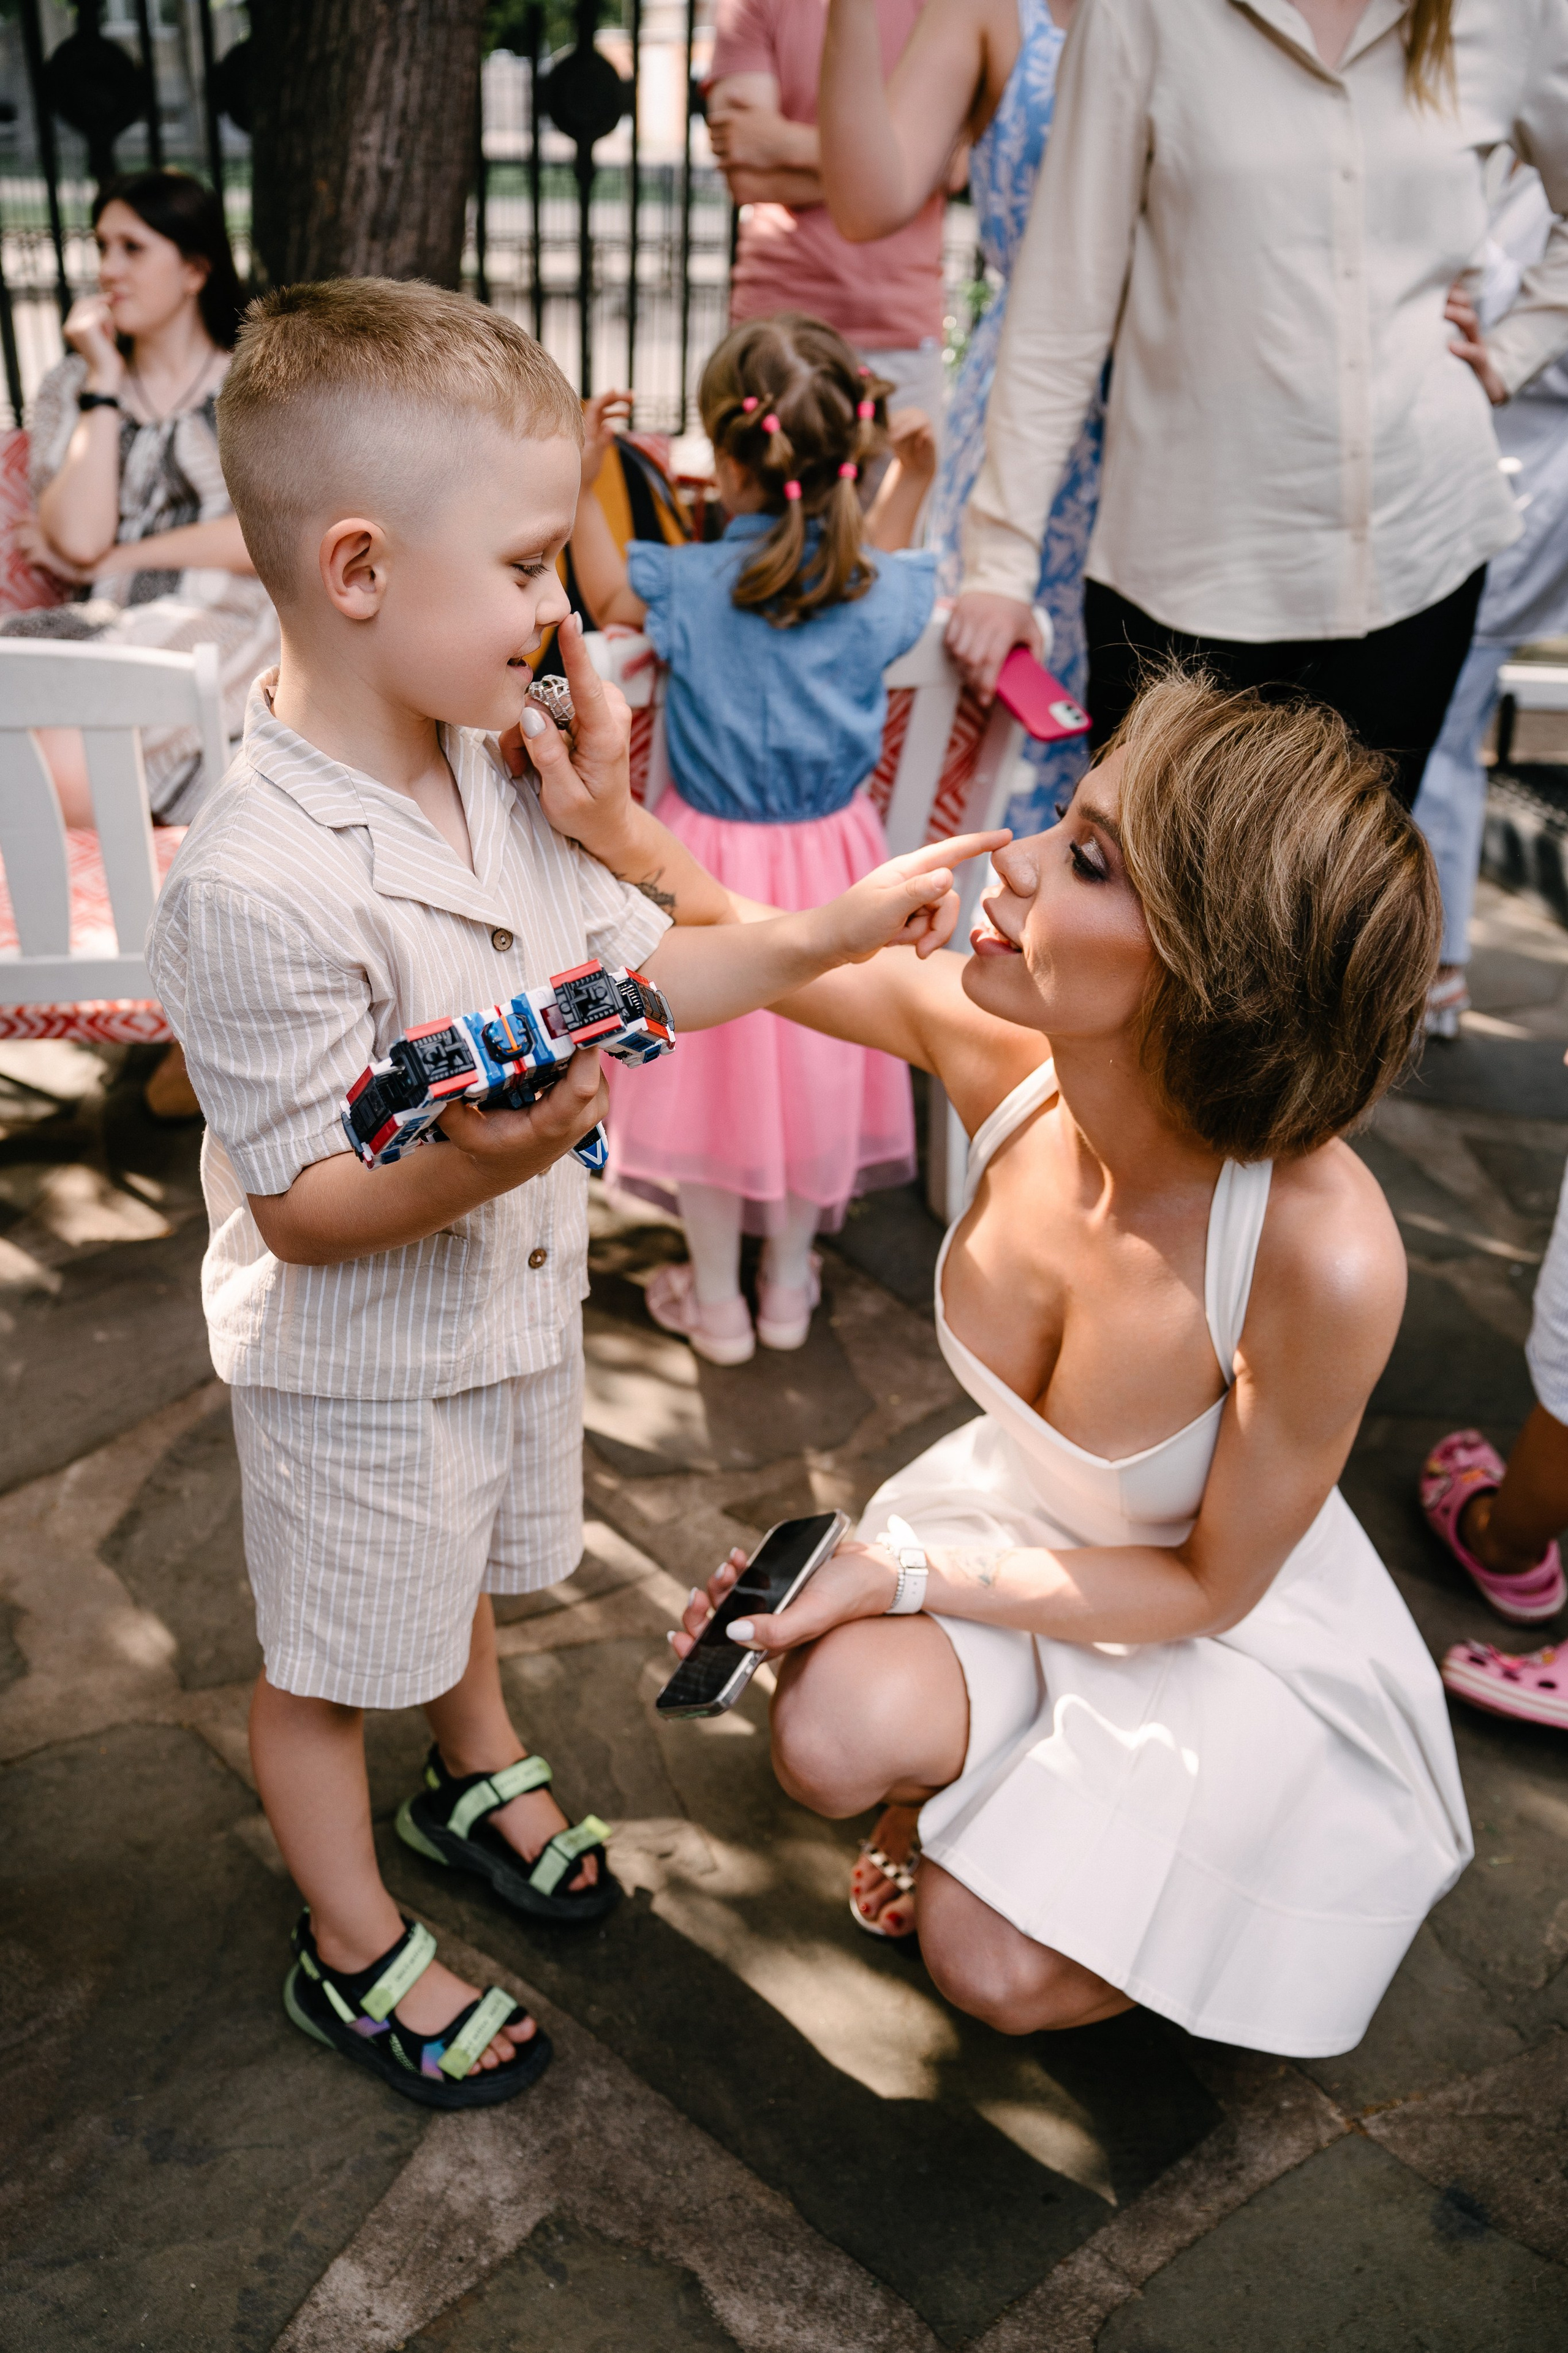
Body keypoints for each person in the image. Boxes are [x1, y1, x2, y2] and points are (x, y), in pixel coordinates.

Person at [145, 276, 981, 2107]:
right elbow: (297, 1199)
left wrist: (824, 923)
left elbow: (630, 977)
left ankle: (473, 1759)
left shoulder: (502, 769)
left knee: (454, 1572)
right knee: (322, 1663)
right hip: (356, 1358)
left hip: (490, 1311)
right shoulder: (257, 881)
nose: (566, 607)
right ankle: (351, 1938)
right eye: (531, 566)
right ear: (360, 571)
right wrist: (481, 1155)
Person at [606, 671, 1471, 2054]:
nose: (1003, 860)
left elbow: (1203, 1584)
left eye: (1080, 859)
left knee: (989, 1972)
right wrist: (605, 814)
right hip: (1026, 1532)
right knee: (821, 1746)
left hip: (1214, 1624)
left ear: (1211, 973)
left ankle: (1147, 1873)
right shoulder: (997, 1042)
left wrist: (895, 1571)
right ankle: (990, 1800)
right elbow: (742, 937)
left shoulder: (1324, 1255)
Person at [946, 0, 1568, 810]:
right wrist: (999, 564)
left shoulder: (1511, 13)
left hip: (1421, 554)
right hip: (1186, 574)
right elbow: (1062, 299)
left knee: (1339, 921)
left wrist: (1515, 348)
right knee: (1147, 910)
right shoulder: (1142, 15)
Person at [568, 313, 938, 1365]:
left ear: (727, 457)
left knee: (712, 1087)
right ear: (849, 457)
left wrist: (586, 478)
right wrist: (913, 480)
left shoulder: (692, 586)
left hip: (707, 872)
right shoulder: (870, 587)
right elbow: (894, 554)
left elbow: (600, 595)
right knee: (809, 1079)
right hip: (834, 863)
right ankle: (787, 1288)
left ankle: (719, 1306)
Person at [817, 0, 1099, 833]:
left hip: (1179, 425)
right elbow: (869, 201)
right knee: (987, 727)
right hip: (1023, 414)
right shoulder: (985, 7)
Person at [5, 168, 277, 828]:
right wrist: (103, 381)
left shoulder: (255, 382)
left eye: (132, 248)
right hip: (110, 623)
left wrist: (119, 556)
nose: (108, 269)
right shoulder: (75, 383)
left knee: (57, 756)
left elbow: (268, 533)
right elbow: (76, 540)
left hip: (228, 618)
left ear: (194, 270)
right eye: (101, 247)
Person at [1414, 164, 1568, 1036]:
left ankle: (1435, 958)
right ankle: (1434, 955)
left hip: (1525, 484)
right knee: (1443, 723)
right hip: (1452, 474)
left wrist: (1494, 345)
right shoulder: (1489, 159)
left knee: (1443, 720)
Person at [707, 0, 949, 434]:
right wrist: (897, 168)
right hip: (776, 328)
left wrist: (779, 142)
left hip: (900, 335)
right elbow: (747, 177)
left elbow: (958, 165)